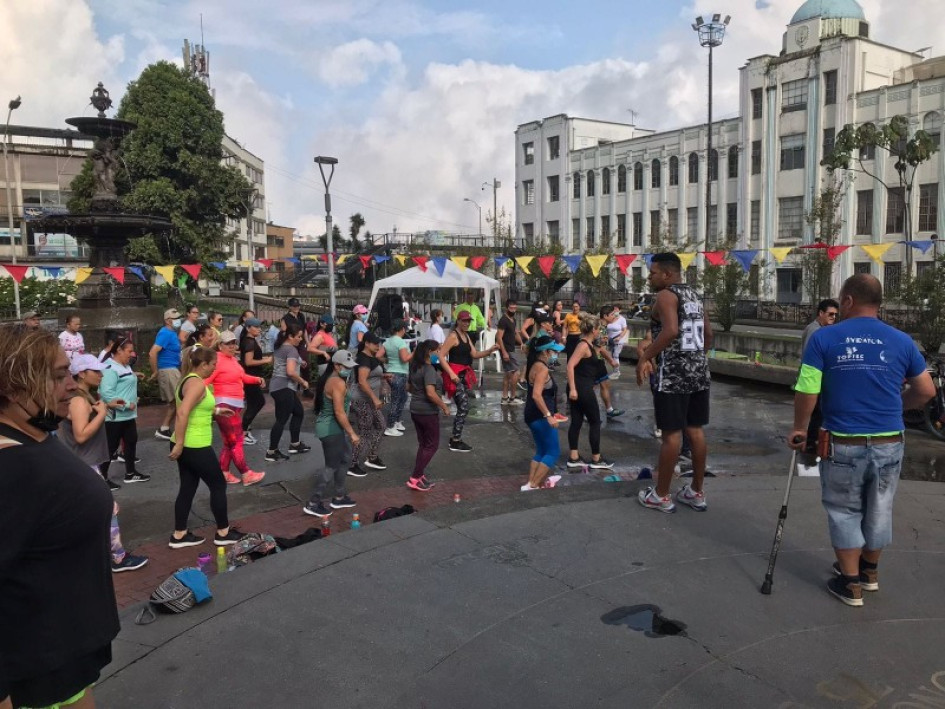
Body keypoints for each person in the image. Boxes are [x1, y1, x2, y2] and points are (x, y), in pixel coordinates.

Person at [790, 274, 934, 606]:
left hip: (844, 442)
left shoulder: (825, 339)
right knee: (880, 507)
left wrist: (799, 428)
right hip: (889, 441)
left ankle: (850, 581)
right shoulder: (902, 340)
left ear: (849, 301)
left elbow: (808, 388)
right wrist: (898, 406)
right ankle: (870, 572)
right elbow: (926, 391)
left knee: (844, 509)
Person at [0, 324, 119, 709]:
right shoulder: (7, 464)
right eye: (56, 376)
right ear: (12, 389)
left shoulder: (32, 434)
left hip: (61, 659)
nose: (72, 384)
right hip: (33, 674)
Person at [636, 252, 713, 514]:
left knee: (671, 435)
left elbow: (670, 331)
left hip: (673, 375)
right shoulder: (695, 295)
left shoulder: (666, 295)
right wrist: (696, 359)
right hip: (699, 372)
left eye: (653, 272)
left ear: (667, 274)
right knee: (696, 430)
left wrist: (646, 356)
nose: (650, 276)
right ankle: (696, 491)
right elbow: (709, 336)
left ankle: (661, 494)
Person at [59, 355, 149, 573]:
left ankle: (82, 555)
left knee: (83, 512)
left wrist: (105, 404)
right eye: (96, 372)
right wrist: (101, 413)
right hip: (84, 465)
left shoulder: (81, 395)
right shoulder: (78, 399)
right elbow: (81, 435)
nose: (101, 375)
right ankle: (118, 558)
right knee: (108, 508)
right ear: (81, 374)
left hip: (82, 464)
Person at [168, 347, 243, 549]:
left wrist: (217, 410)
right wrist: (181, 444)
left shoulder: (187, 380)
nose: (214, 369)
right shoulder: (197, 384)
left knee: (188, 487)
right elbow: (182, 412)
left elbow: (192, 407)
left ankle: (179, 534)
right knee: (218, 484)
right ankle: (223, 532)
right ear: (203, 365)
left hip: (189, 442)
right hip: (195, 444)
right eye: (212, 365)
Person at [205, 331, 266, 486]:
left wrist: (256, 379)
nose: (232, 346)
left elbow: (242, 377)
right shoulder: (217, 360)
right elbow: (203, 382)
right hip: (225, 407)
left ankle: (223, 472)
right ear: (220, 345)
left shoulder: (232, 360)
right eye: (228, 343)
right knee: (236, 441)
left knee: (230, 442)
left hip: (234, 406)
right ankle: (246, 474)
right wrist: (205, 404)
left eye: (234, 343)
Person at [304, 350, 360, 517]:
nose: (349, 370)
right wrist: (352, 433)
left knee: (344, 459)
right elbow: (339, 411)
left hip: (333, 428)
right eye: (346, 367)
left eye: (351, 367)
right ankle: (313, 502)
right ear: (336, 365)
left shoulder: (333, 379)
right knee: (332, 465)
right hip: (331, 429)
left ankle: (340, 496)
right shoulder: (337, 382)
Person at [438, 311, 498, 453]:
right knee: (463, 406)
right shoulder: (453, 336)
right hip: (455, 374)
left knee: (463, 407)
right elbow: (441, 355)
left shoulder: (466, 336)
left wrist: (490, 350)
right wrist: (451, 373)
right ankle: (455, 440)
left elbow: (475, 354)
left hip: (464, 375)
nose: (466, 323)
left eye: (468, 321)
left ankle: (455, 438)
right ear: (458, 321)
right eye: (464, 320)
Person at [566, 314, 614, 470]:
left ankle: (574, 457)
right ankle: (596, 459)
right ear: (593, 330)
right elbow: (570, 365)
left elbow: (584, 368)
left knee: (577, 421)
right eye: (598, 329)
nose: (600, 331)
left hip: (583, 386)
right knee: (595, 421)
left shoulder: (589, 344)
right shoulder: (584, 345)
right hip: (581, 388)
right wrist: (573, 388)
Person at [100, 340, 149, 485]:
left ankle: (130, 473)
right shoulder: (109, 367)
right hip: (116, 416)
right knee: (110, 447)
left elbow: (124, 378)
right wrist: (127, 404)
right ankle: (102, 478)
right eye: (129, 351)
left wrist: (135, 375)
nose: (132, 354)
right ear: (119, 351)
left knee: (131, 442)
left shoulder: (124, 366)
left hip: (128, 415)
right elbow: (106, 393)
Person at [522, 335, 565, 491]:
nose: (556, 354)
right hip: (540, 415)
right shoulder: (542, 368)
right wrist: (548, 415)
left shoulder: (533, 364)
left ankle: (529, 484)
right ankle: (533, 485)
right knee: (553, 452)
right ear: (545, 352)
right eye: (553, 351)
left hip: (532, 414)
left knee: (541, 450)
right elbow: (536, 395)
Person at [406, 339, 450, 491]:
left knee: (424, 444)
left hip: (415, 409)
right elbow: (431, 394)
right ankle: (415, 477)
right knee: (432, 445)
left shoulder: (414, 366)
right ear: (429, 352)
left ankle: (419, 475)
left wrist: (419, 393)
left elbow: (409, 387)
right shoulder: (429, 369)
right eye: (437, 351)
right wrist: (444, 406)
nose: (439, 353)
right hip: (427, 411)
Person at [799, 298, 841, 454]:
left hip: (818, 378)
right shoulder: (815, 331)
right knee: (817, 413)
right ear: (821, 313)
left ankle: (813, 441)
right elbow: (811, 359)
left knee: (818, 412)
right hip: (814, 379)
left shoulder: (820, 329)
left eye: (835, 315)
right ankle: (811, 443)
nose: (833, 318)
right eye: (830, 314)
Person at [266, 324, 311, 462]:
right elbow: (290, 372)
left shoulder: (281, 347)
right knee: (281, 419)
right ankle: (271, 452)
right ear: (290, 336)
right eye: (298, 337)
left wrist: (300, 362)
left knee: (298, 412)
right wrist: (303, 382)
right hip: (283, 388)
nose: (300, 339)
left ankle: (295, 444)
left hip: (280, 387)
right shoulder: (291, 349)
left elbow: (283, 363)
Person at [347, 332, 390, 476]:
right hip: (362, 400)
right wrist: (375, 398)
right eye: (375, 343)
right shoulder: (363, 359)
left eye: (379, 343)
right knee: (365, 432)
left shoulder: (372, 358)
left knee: (381, 425)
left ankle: (372, 456)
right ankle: (352, 464)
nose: (378, 346)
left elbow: (371, 375)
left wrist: (384, 376)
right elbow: (362, 381)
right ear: (367, 343)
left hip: (371, 400)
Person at [150, 307, 182, 440]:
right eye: (176, 319)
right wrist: (155, 371)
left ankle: (164, 428)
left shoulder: (171, 333)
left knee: (176, 402)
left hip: (173, 369)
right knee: (179, 401)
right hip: (168, 370)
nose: (178, 321)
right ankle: (173, 430)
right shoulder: (165, 333)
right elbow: (153, 352)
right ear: (168, 321)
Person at [239, 317, 271, 445]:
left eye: (259, 327)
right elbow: (248, 362)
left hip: (253, 376)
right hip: (250, 377)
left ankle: (244, 430)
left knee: (254, 404)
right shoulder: (249, 342)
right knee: (257, 403)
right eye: (256, 327)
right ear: (248, 328)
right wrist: (266, 360)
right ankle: (243, 431)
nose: (259, 329)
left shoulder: (250, 340)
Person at [383, 318, 412, 437]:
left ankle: (396, 421)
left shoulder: (387, 341)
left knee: (402, 397)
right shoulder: (400, 342)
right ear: (403, 329)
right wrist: (414, 353)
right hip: (399, 373)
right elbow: (405, 358)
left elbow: (379, 355)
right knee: (396, 399)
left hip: (391, 371)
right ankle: (390, 426)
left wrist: (389, 360)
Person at [595, 307, 625, 419]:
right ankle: (586, 412)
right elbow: (601, 348)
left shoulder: (602, 327)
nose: (614, 316)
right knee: (592, 387)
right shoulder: (600, 328)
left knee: (604, 384)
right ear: (605, 316)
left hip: (598, 361)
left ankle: (609, 409)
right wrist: (611, 361)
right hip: (595, 361)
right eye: (612, 314)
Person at [497, 299, 524, 405]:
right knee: (515, 373)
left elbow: (515, 332)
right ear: (506, 308)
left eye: (514, 308)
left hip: (511, 349)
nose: (513, 310)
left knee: (508, 374)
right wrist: (504, 352)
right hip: (507, 349)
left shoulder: (513, 319)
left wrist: (521, 343)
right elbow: (499, 337)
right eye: (511, 308)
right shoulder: (503, 320)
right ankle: (512, 398)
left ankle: (504, 398)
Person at [605, 305, 629, 379]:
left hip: (618, 340)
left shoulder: (622, 319)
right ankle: (613, 370)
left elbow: (625, 330)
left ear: (620, 310)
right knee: (610, 355)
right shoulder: (610, 318)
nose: (615, 311)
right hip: (609, 340)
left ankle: (616, 371)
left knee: (615, 355)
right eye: (614, 309)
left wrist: (619, 337)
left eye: (616, 309)